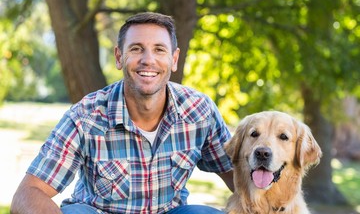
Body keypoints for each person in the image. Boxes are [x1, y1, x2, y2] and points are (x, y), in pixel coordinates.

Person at [11, 12, 234, 214]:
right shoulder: (86, 116)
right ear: (119, 57)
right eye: (136, 48)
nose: (148, 59)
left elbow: (240, 177)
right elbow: (27, 194)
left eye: (159, 49)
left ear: (174, 59)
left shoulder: (199, 111)